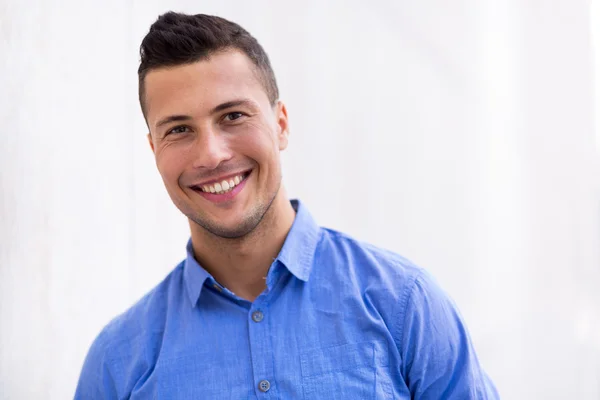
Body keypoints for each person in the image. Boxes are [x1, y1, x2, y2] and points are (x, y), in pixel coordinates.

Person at [75, 11, 499, 399]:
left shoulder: (405, 305)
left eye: (233, 116)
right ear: (153, 148)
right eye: (179, 129)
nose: (211, 154)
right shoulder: (117, 363)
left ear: (281, 124)